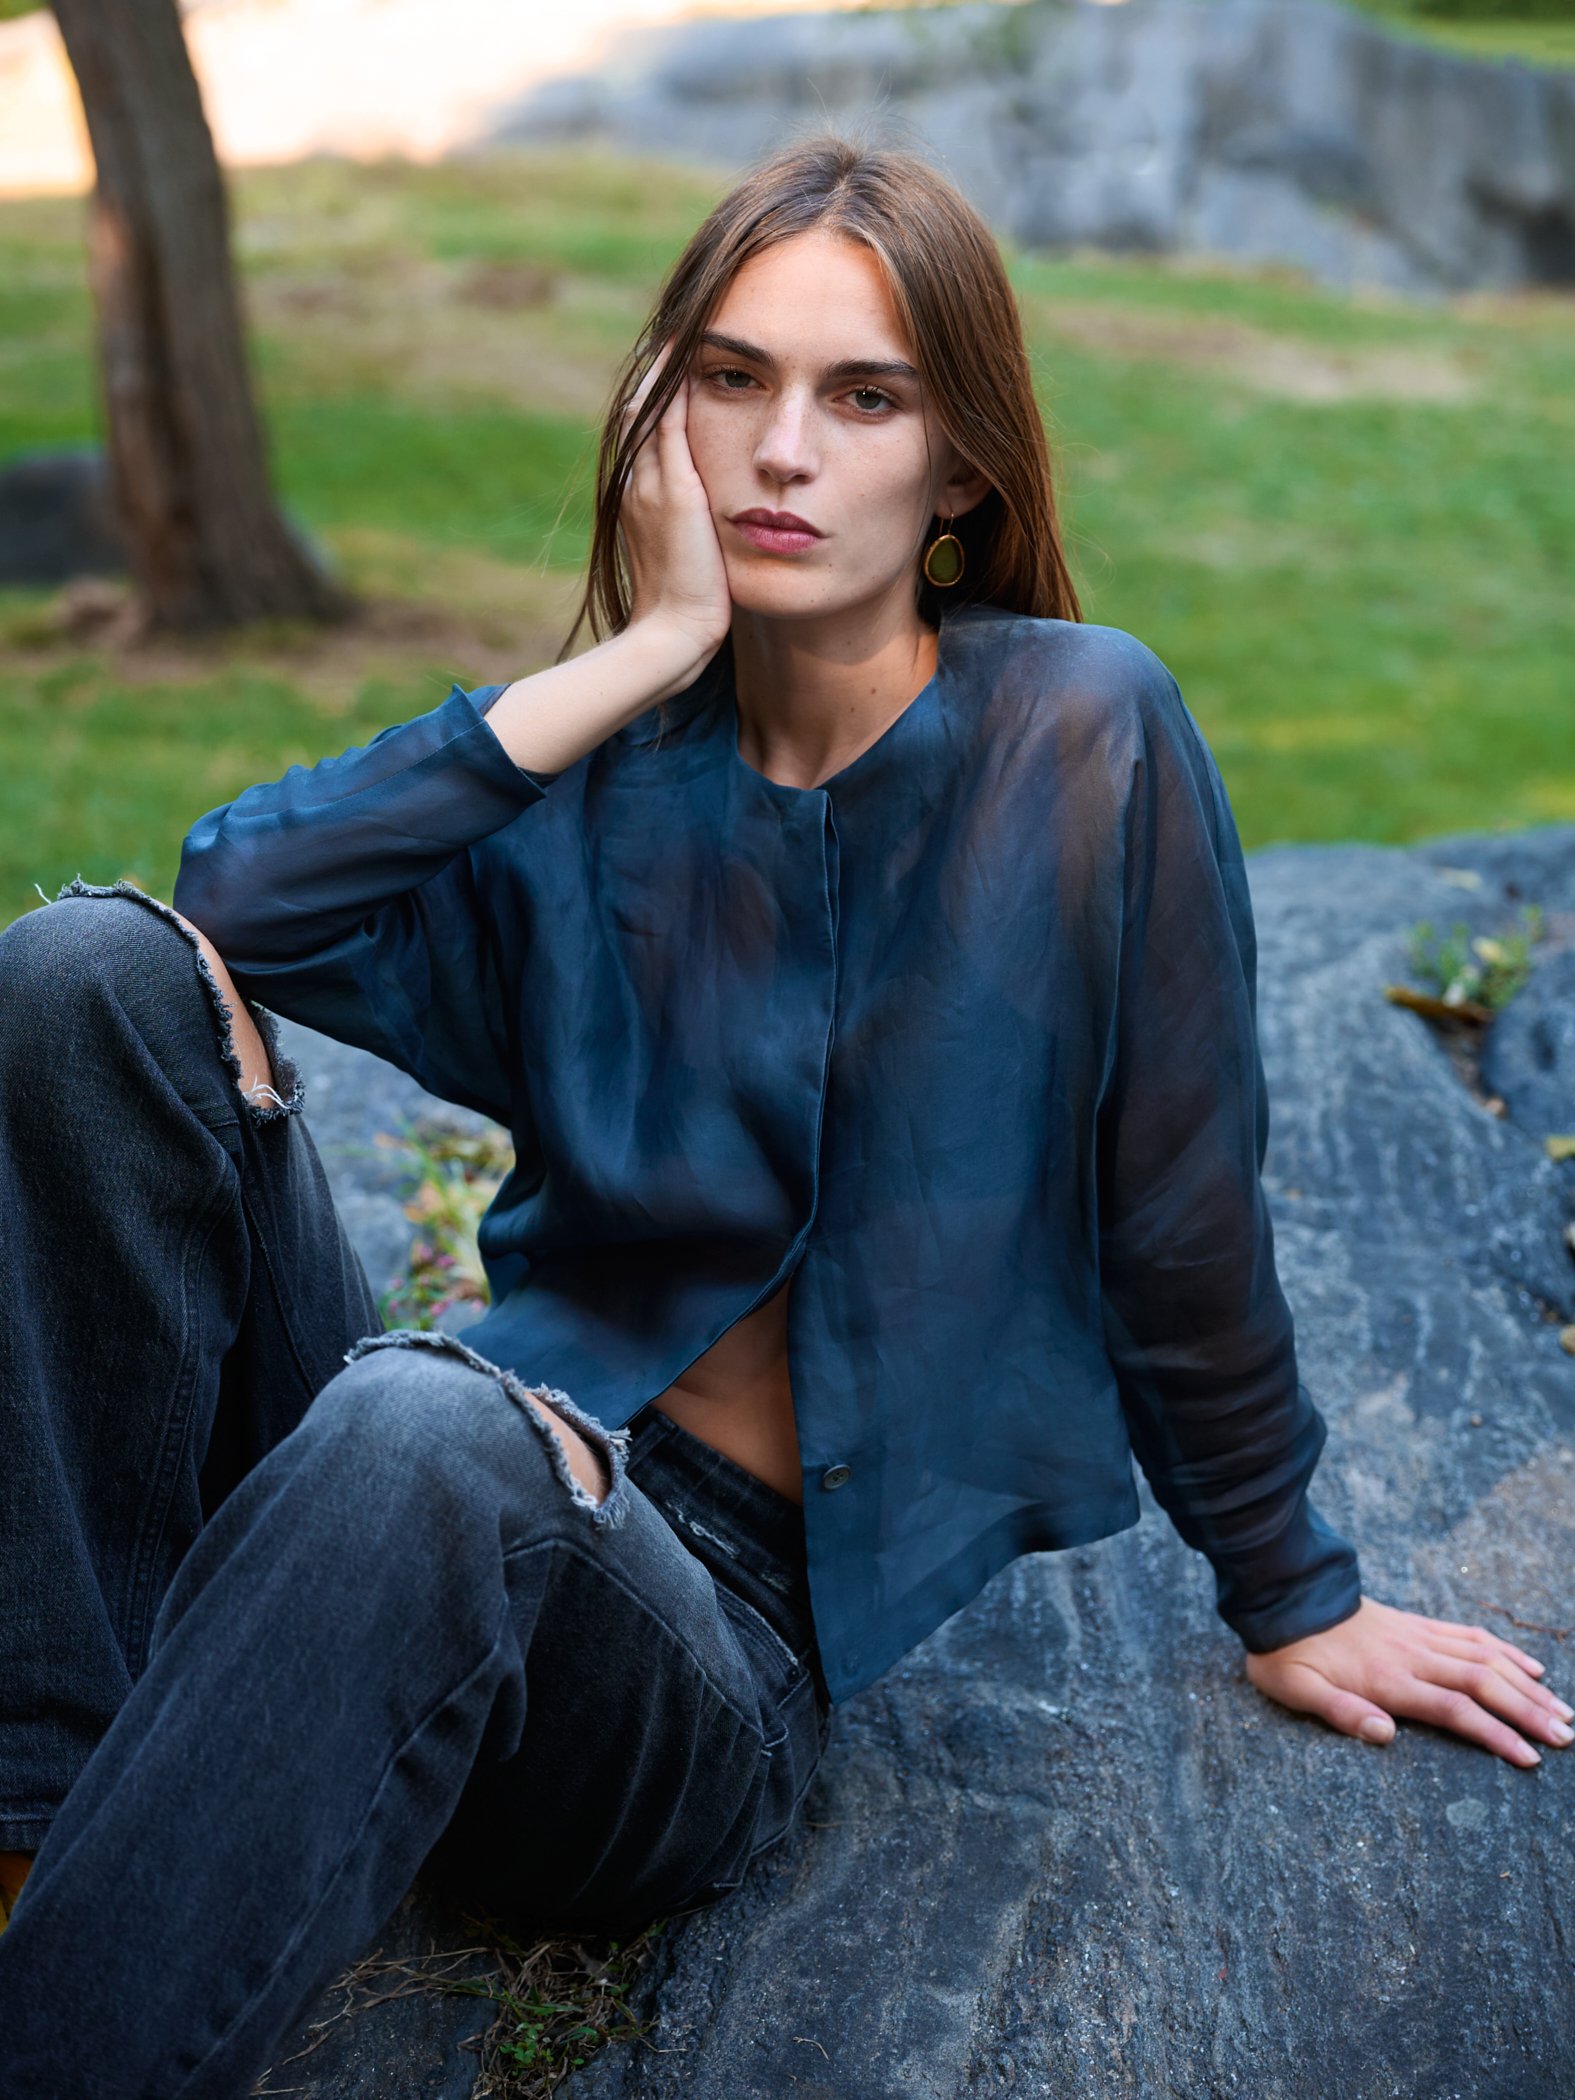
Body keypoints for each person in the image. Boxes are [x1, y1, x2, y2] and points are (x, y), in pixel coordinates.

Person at [0, 133, 1567, 2096]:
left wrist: (1292, 1593)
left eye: (864, 397)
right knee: (81, 972)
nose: (784, 450)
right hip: (433, 1479)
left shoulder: (1075, 740)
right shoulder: (602, 783)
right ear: (661, 411)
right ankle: (46, 1816)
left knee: (428, 1423)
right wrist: (642, 655)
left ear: (960, 466)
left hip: (686, 1663)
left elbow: (1177, 1207)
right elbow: (232, 903)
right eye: (732, 379)